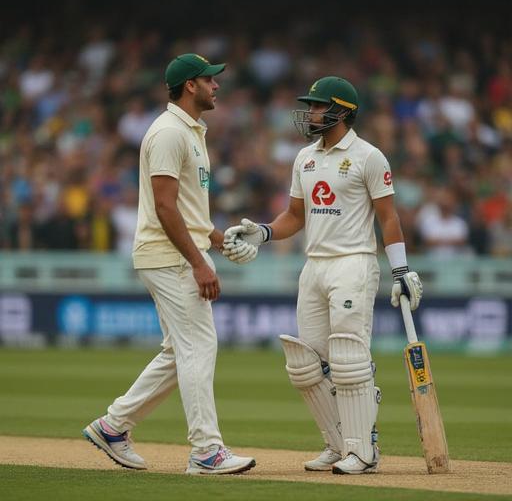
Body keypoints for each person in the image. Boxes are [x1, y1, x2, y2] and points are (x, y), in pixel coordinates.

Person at [223, 76, 423, 474]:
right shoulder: (305, 158)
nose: (311, 112)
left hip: (354, 262)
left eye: (317, 106)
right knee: (307, 364)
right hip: (313, 265)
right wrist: (262, 233)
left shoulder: (369, 156)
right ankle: (337, 443)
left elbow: (388, 217)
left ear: (342, 111)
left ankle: (363, 451)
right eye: (310, 106)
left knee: (348, 359)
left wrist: (400, 269)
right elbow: (295, 217)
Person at [83, 53, 256, 475]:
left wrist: (217, 239)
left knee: (180, 351)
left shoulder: (191, 131)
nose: (216, 86)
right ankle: (206, 451)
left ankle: (113, 426)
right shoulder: (167, 133)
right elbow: (163, 206)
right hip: (169, 257)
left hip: (173, 253)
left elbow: (186, 208)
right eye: (209, 80)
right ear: (189, 86)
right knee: (199, 347)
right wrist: (199, 262)